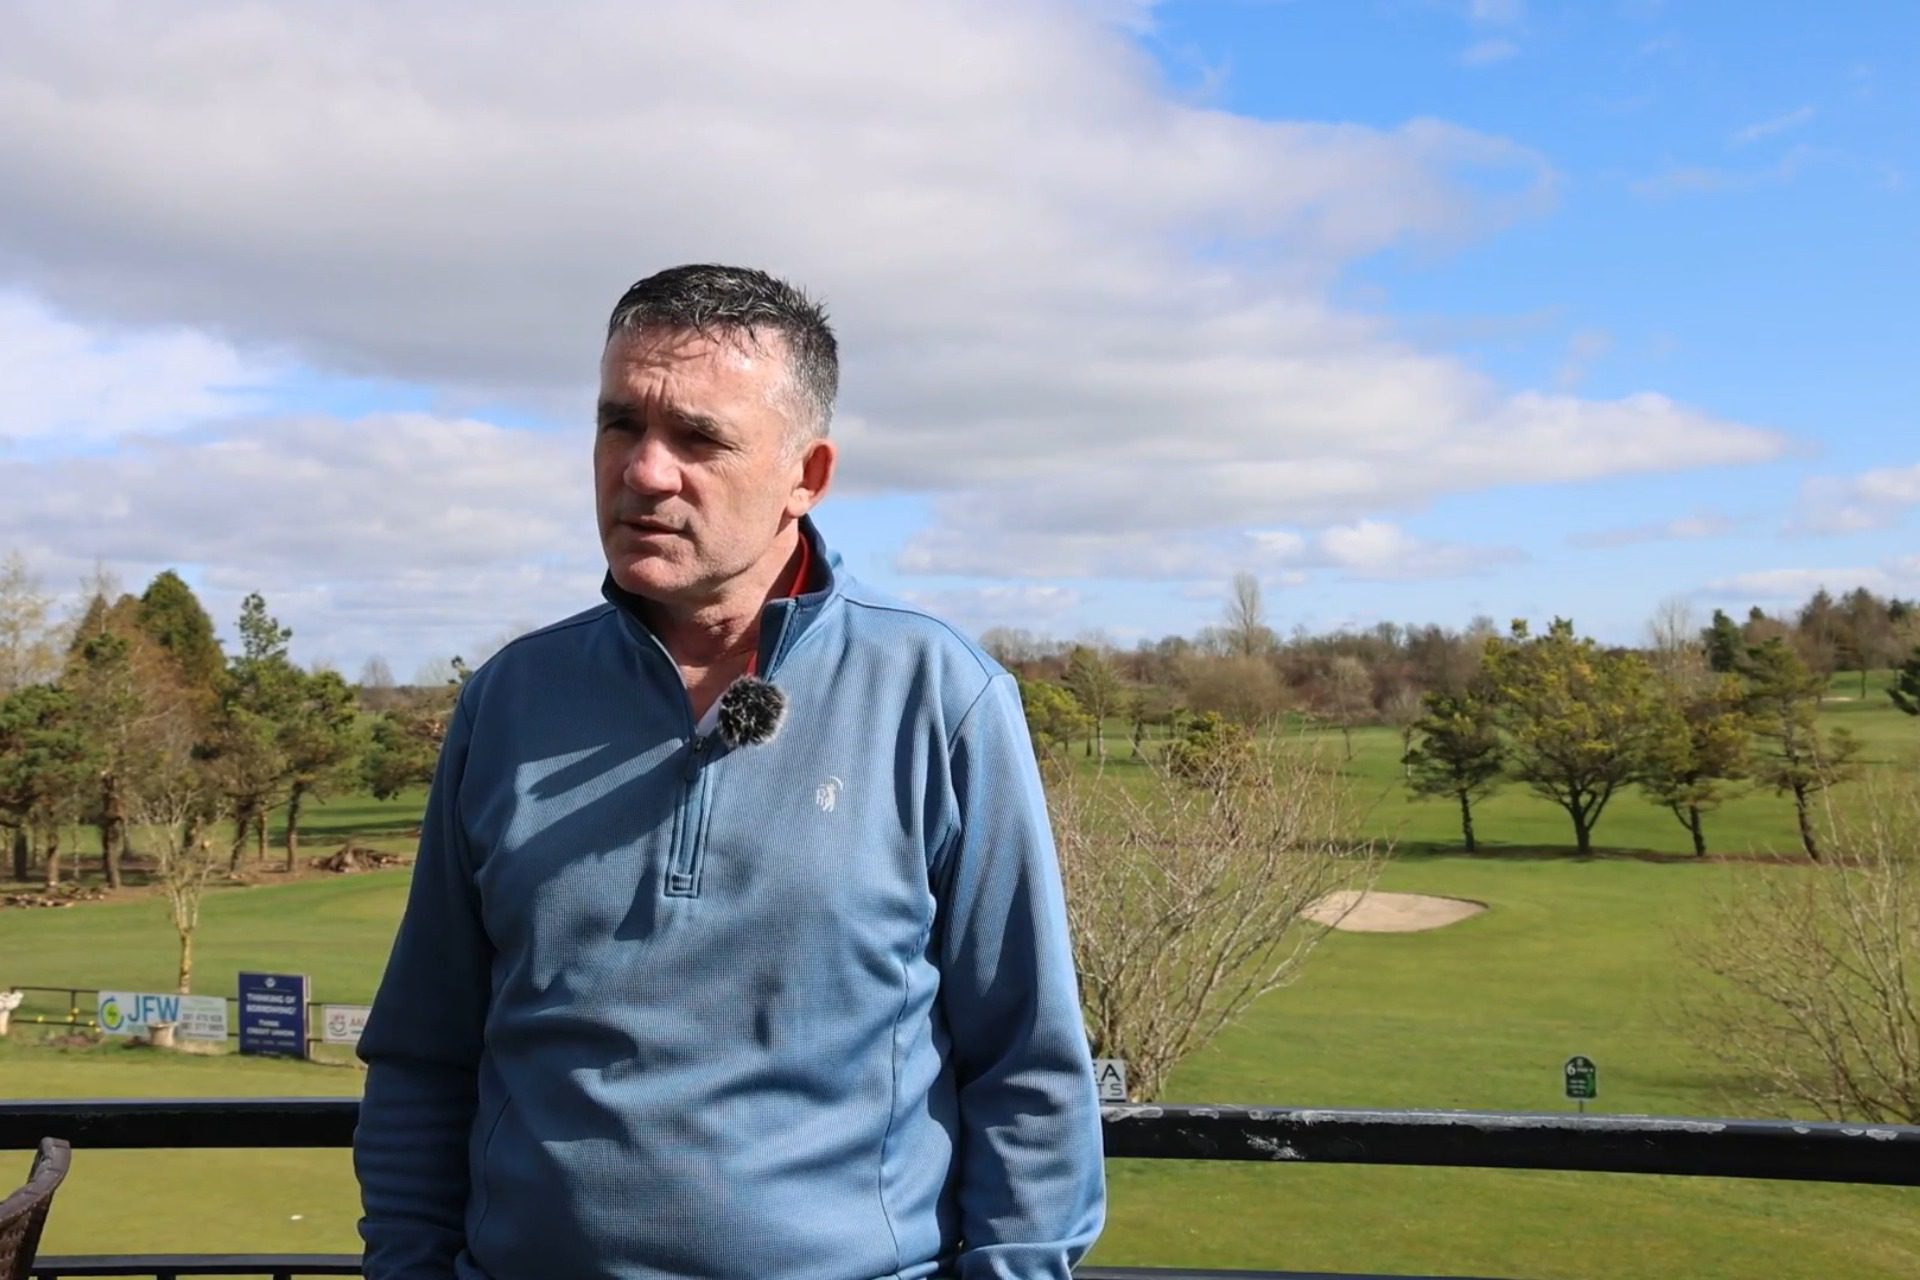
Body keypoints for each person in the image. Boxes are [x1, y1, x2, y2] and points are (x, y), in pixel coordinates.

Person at [353, 264, 1106, 1280]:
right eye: (620, 425)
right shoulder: (510, 698)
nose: (645, 471)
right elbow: (425, 1051)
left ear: (809, 473)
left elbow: (1028, 1063)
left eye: (700, 438)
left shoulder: (941, 696)